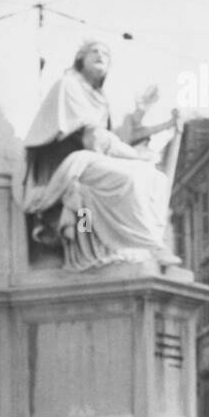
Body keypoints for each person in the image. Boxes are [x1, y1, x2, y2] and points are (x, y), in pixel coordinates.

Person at [22, 40, 180, 271]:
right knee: (130, 180)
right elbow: (95, 139)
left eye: (105, 53)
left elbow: (116, 136)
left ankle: (138, 244)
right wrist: (135, 157)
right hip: (71, 165)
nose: (100, 55)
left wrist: (152, 118)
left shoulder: (99, 97)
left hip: (93, 160)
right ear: (80, 60)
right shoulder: (69, 86)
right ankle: (127, 245)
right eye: (93, 51)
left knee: (155, 179)